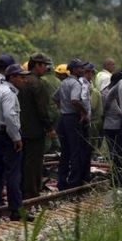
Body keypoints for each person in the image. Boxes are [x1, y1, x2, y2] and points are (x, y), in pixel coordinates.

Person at [0, 64, 33, 221]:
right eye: (22, 77)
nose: (24, 80)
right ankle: (16, 209)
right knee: (13, 173)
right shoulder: (9, 94)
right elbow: (9, 116)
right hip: (8, 136)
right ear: (12, 77)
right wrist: (16, 138)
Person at [19, 53, 55, 199]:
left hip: (21, 130)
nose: (46, 68)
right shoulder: (37, 84)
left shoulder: (22, 80)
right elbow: (42, 109)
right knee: (34, 163)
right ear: (37, 65)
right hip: (35, 130)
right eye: (44, 65)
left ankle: (22, 190)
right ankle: (32, 192)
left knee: (23, 162)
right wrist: (49, 128)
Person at [53, 58, 89, 190]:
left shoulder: (63, 83)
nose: (82, 70)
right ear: (74, 69)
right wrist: (84, 112)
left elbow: (55, 98)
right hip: (73, 119)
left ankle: (61, 182)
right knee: (75, 150)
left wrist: (62, 108)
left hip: (63, 119)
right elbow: (75, 100)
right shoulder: (75, 83)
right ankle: (74, 182)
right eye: (80, 68)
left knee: (65, 151)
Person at [102, 71, 122, 185]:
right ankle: (117, 179)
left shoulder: (112, 92)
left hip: (114, 126)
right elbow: (118, 112)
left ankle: (118, 177)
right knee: (116, 154)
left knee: (117, 154)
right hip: (112, 127)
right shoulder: (107, 93)